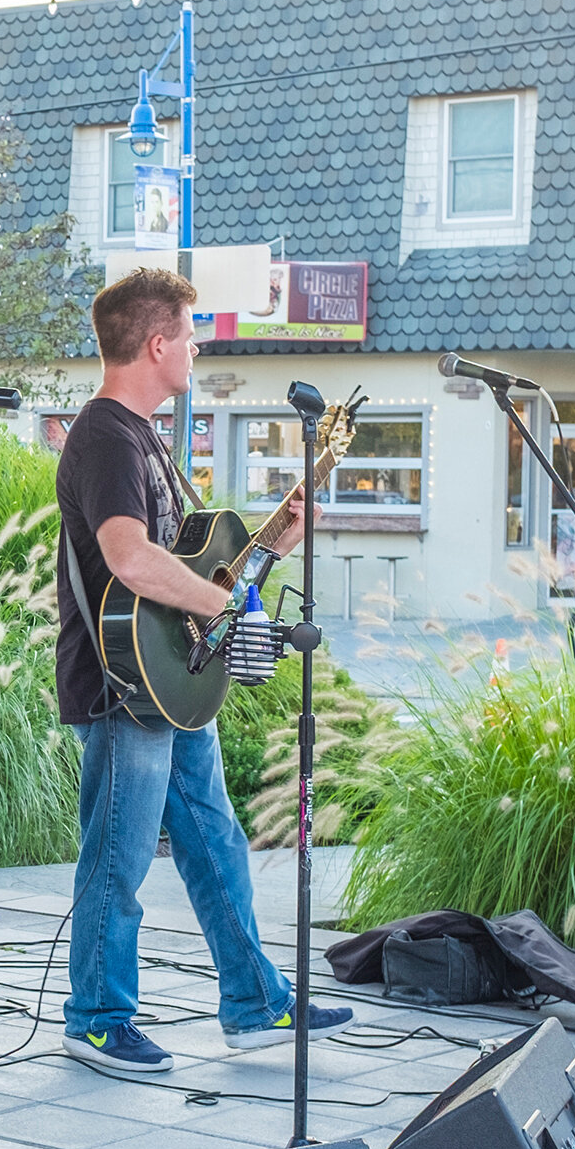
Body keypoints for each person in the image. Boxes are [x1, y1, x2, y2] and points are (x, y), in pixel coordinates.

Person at [55, 266, 350, 1078]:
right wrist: (226, 615)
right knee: (117, 856)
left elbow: (202, 572)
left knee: (215, 842)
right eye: (188, 336)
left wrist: (276, 541)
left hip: (172, 679)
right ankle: (98, 1018)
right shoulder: (108, 437)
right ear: (156, 343)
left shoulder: (145, 438)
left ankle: (255, 1002)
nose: (194, 347)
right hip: (128, 683)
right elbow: (129, 557)